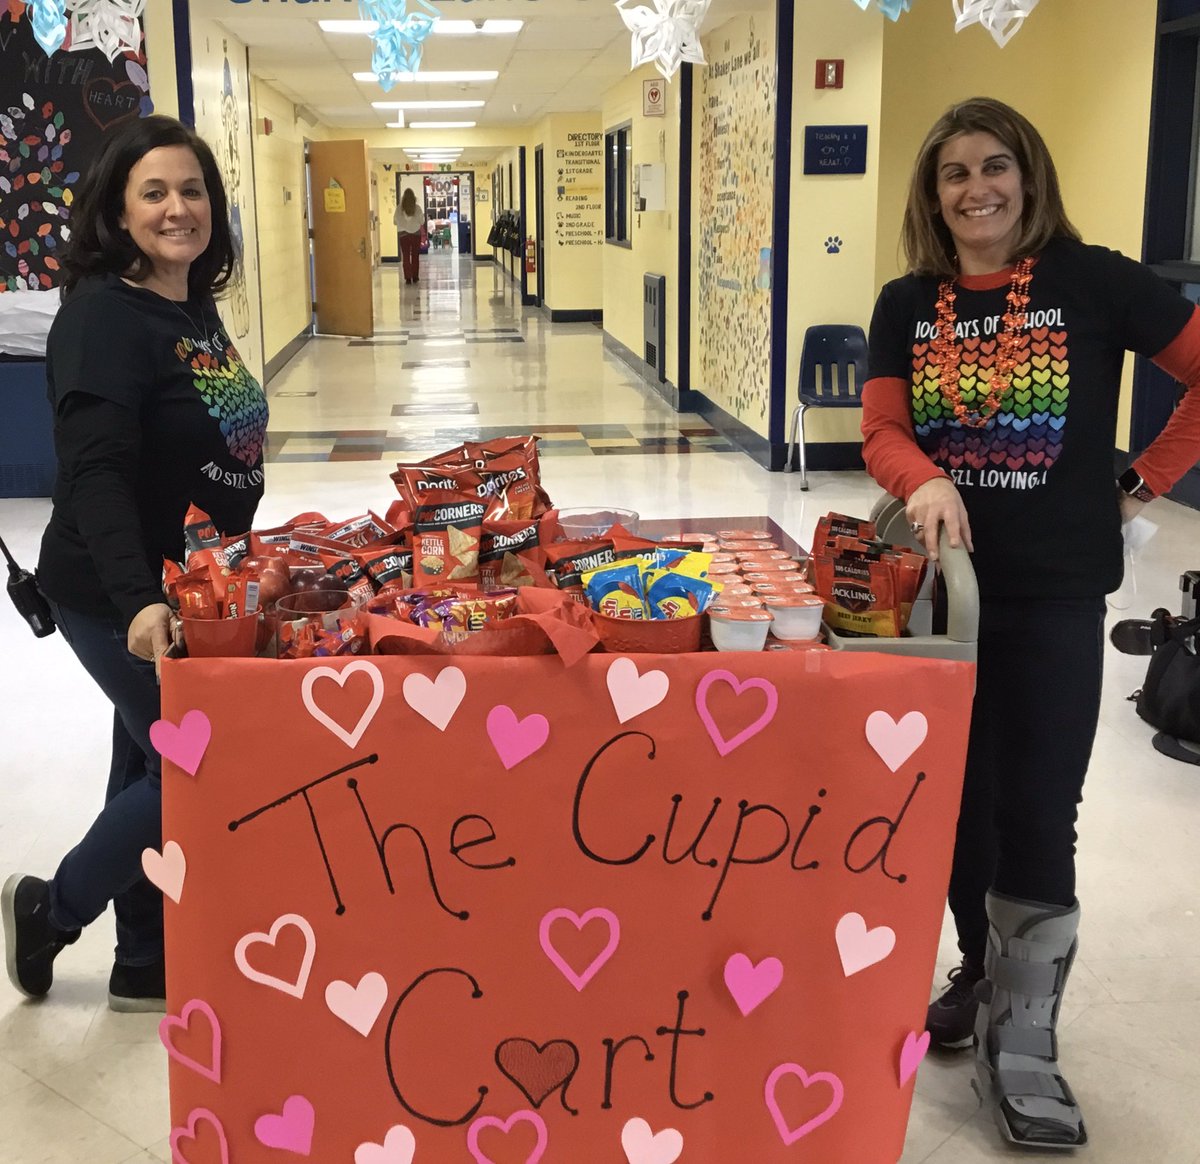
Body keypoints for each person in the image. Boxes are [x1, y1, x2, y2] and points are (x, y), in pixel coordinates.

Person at [861, 97, 1200, 1149]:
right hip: (939, 599)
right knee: (957, 802)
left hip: (1054, 592)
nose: (976, 190)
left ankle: (1027, 1039)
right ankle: (982, 971)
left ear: (1028, 174)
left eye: (994, 166)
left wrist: (1144, 481)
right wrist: (920, 480)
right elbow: (882, 425)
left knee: (1038, 804)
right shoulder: (908, 302)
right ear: (932, 195)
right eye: (953, 173)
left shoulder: (1095, 281)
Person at [1, 116, 267, 1012]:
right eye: (154, 191)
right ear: (118, 209)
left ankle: (142, 958)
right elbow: (98, 475)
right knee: (200, 760)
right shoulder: (103, 319)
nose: (178, 207)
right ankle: (52, 908)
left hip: (194, 589)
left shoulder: (186, 306)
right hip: (120, 594)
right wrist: (141, 601)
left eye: (192, 189)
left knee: (149, 763)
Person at [393, 187, 425, 284]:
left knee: (406, 256)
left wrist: (402, 223)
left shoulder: (399, 208)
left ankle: (408, 278)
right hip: (416, 234)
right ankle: (415, 277)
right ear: (413, 197)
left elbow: (394, 222)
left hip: (403, 235)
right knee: (415, 256)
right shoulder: (417, 208)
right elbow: (422, 221)